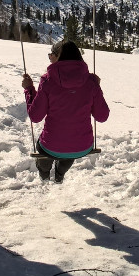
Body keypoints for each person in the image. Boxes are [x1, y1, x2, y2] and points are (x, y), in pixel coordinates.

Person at [21, 39, 109, 183]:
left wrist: (29, 89)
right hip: (82, 146)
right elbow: (102, 116)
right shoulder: (90, 82)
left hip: (51, 146)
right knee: (69, 150)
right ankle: (59, 175)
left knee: (46, 149)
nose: (49, 59)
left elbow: (35, 116)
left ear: (57, 56)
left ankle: (44, 174)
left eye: (50, 55)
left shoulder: (48, 81)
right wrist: (97, 87)